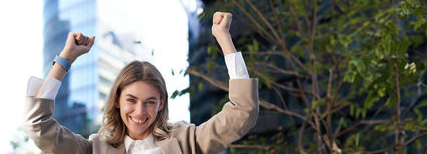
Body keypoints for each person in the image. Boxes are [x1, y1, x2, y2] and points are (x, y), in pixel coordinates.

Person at [24, 12, 259, 154]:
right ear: (117, 100)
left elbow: (243, 112)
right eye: (131, 100)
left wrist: (224, 39)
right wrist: (65, 59)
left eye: (149, 102)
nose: (140, 111)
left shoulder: (187, 141)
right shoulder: (94, 149)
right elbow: (37, 125)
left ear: (161, 103)